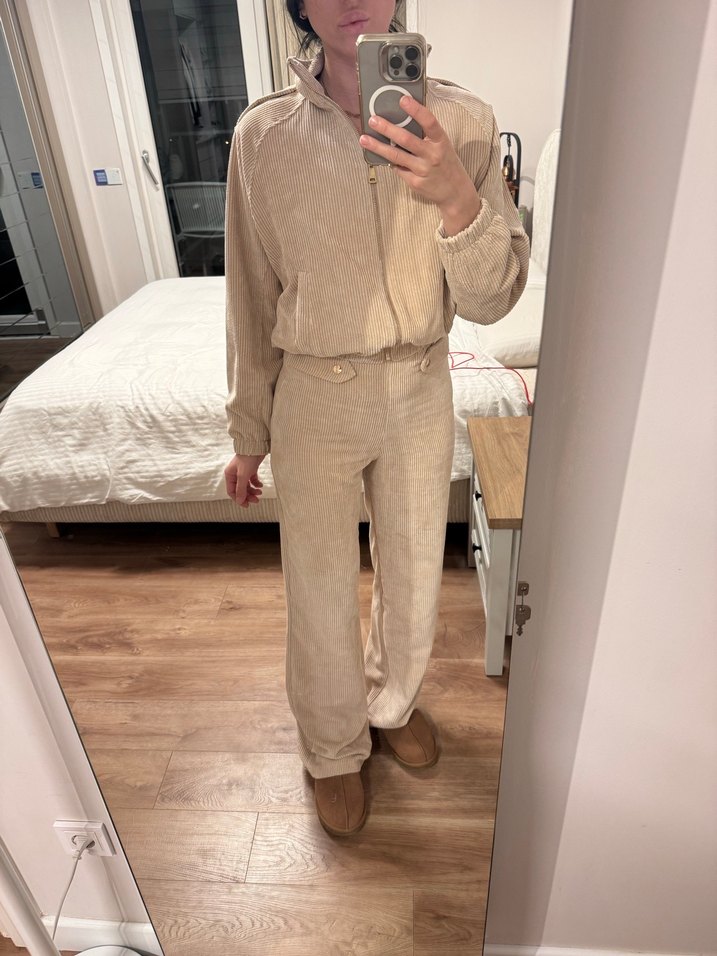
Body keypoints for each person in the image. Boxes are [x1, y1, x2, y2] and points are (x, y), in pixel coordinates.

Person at [223, 0, 529, 837]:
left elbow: (492, 300)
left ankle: (391, 705)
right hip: (312, 394)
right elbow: (248, 294)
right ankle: (331, 747)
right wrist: (248, 431)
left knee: (413, 572)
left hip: (419, 383)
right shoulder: (262, 136)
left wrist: (457, 198)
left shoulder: (464, 121)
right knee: (318, 584)